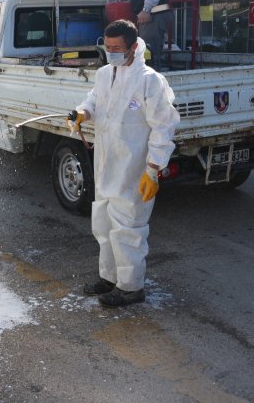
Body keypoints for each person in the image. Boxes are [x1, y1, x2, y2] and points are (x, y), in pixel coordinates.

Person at [68, 19, 180, 308]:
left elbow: (163, 127)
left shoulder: (149, 80)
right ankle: (109, 278)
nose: (112, 52)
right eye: (108, 48)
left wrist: (153, 170)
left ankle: (131, 287)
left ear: (133, 46)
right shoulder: (105, 74)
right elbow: (95, 99)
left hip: (133, 169)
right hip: (106, 164)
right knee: (104, 225)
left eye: (118, 48)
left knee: (128, 229)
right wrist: (83, 112)